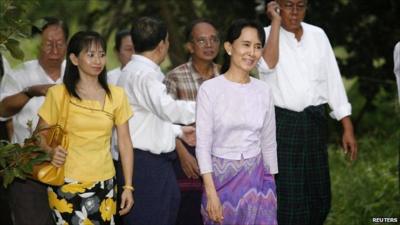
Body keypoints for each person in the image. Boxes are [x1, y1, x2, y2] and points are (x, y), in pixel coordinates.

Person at [257, 0, 358, 224]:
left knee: (319, 193)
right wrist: (275, 22)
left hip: (314, 121)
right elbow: (266, 65)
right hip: (282, 125)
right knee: (289, 196)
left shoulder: (318, 35)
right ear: (276, 6)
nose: (294, 12)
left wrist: (347, 126)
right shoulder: (263, 35)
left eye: (300, 6)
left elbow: (332, 79)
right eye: (287, 5)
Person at [37, 31, 134, 225]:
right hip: (66, 183)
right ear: (74, 58)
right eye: (90, 55)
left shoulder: (117, 95)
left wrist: (128, 187)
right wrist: (50, 151)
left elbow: (124, 142)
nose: (98, 60)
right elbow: (39, 135)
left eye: (101, 54)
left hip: (105, 182)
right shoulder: (58, 94)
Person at [196, 17, 280, 225]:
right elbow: (203, 145)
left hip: (259, 180)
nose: (252, 52)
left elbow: (269, 142)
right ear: (229, 47)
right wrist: (211, 192)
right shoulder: (210, 90)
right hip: (219, 181)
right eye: (246, 44)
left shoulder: (264, 90)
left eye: (258, 46)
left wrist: (272, 185)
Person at [118, 16, 196, 225]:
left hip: (148, 163)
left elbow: (144, 119)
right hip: (146, 165)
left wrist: (178, 132)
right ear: (162, 44)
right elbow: (168, 109)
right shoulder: (144, 76)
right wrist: (207, 106)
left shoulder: (134, 72)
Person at [0, 17, 68, 225]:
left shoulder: (76, 72)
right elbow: (2, 110)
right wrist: (30, 92)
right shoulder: (20, 74)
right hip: (28, 169)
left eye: (60, 43)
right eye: (48, 43)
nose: (54, 49)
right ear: (38, 44)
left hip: (69, 166)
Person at [163, 18, 220, 225]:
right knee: (189, 215)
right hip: (188, 157)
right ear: (190, 46)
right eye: (202, 41)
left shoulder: (225, 75)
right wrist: (182, 153)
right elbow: (164, 122)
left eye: (214, 40)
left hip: (221, 155)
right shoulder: (174, 77)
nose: (209, 45)